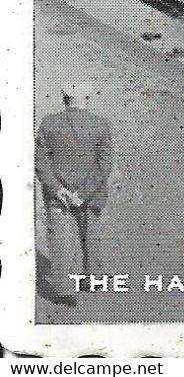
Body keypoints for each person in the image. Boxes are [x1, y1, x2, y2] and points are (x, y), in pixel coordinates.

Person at [37, 82, 113, 304]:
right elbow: (104, 165)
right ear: (87, 99)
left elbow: (41, 161)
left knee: (61, 241)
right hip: (90, 195)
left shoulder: (48, 124)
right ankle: (93, 281)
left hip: (58, 195)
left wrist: (58, 189)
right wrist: (83, 193)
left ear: (64, 99)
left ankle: (64, 291)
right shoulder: (101, 125)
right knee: (91, 237)